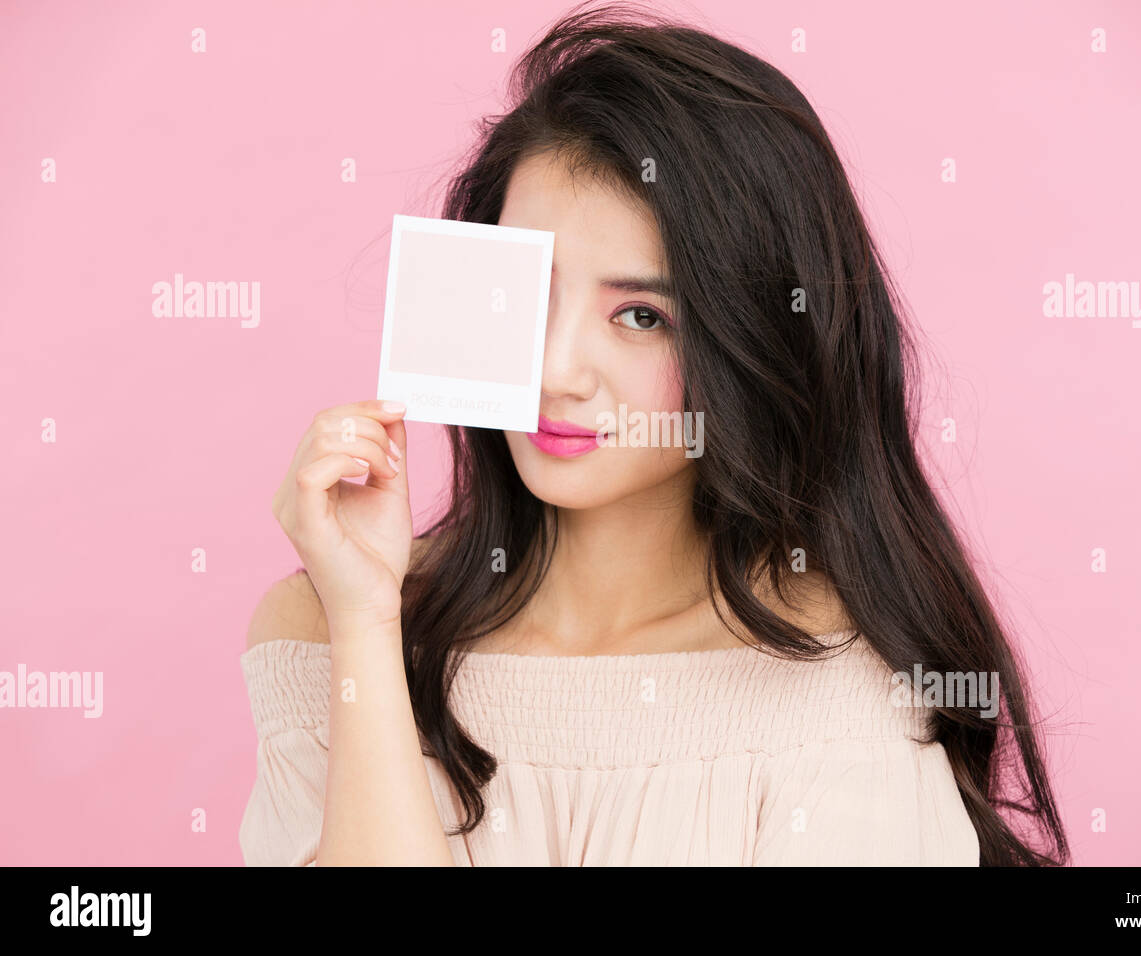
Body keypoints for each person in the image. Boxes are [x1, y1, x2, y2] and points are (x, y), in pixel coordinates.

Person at [239, 0, 1069, 866]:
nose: (557, 370)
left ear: (752, 339)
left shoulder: (835, 684)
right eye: (529, 292)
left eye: (640, 315)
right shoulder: (322, 630)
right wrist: (367, 623)